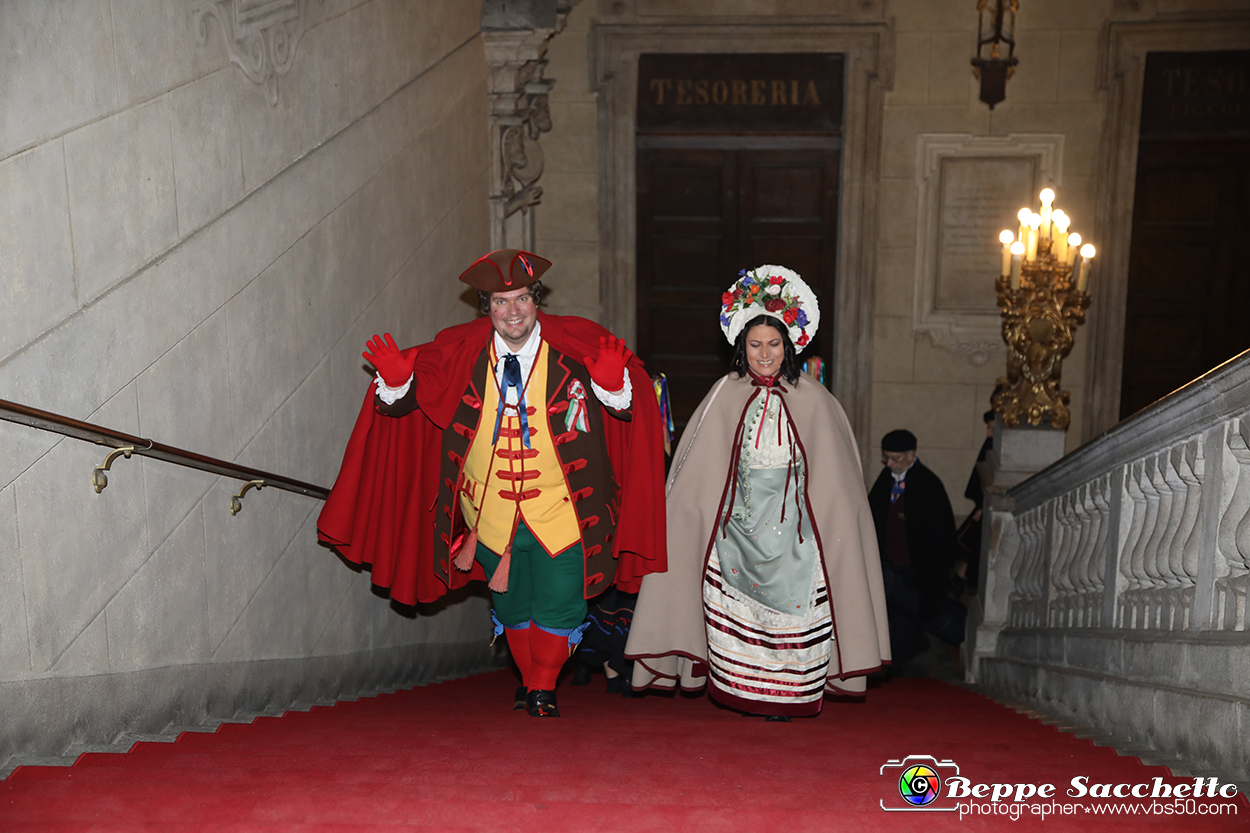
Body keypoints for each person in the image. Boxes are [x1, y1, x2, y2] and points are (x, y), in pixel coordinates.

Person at [317, 249, 667, 717]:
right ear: (487, 307)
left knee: (562, 604)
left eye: (521, 298)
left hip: (564, 512)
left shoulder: (576, 344)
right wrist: (398, 386)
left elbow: (627, 409)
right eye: (501, 302)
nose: (513, 311)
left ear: (535, 299)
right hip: (488, 517)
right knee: (513, 607)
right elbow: (416, 398)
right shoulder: (460, 350)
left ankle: (542, 687)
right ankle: (531, 678)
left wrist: (612, 387)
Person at [625, 265, 890, 720]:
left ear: (788, 346)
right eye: (755, 345)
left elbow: (837, 485)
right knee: (735, 611)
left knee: (796, 616)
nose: (764, 354)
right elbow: (696, 476)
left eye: (773, 345)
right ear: (741, 347)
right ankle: (745, 690)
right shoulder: (722, 395)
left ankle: (786, 697)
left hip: (799, 536)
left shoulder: (817, 401)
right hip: (735, 529)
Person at [867, 429, 959, 668]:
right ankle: (899, 660)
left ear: (911, 455)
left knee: (913, 609)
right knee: (893, 609)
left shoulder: (927, 483)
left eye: (895, 458)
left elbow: (940, 530)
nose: (889, 463)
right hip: (888, 561)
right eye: (886, 457)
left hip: (917, 566)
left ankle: (916, 651)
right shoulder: (885, 479)